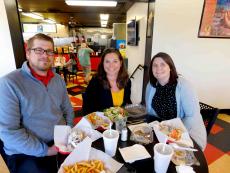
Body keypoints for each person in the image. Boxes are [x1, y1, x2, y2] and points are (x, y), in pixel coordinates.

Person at [0, 33, 74, 173]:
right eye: (38, 50)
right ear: (28, 53)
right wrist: (46, 150)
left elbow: (68, 109)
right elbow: (9, 132)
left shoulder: (58, 79)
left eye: (49, 51)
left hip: (60, 141)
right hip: (25, 152)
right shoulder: (9, 84)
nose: (45, 55)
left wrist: (68, 131)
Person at [145, 52, 207, 150]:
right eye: (155, 65)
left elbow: (192, 117)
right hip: (163, 132)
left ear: (170, 67)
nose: (158, 68)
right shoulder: (151, 85)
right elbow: (150, 112)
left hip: (187, 135)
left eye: (162, 64)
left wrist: (172, 135)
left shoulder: (184, 86)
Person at [83, 48, 132, 115]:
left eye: (115, 61)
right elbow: (87, 108)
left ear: (120, 63)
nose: (111, 65)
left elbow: (127, 102)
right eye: (107, 61)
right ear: (103, 64)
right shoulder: (95, 82)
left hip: (120, 122)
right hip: (101, 123)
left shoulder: (127, 81)